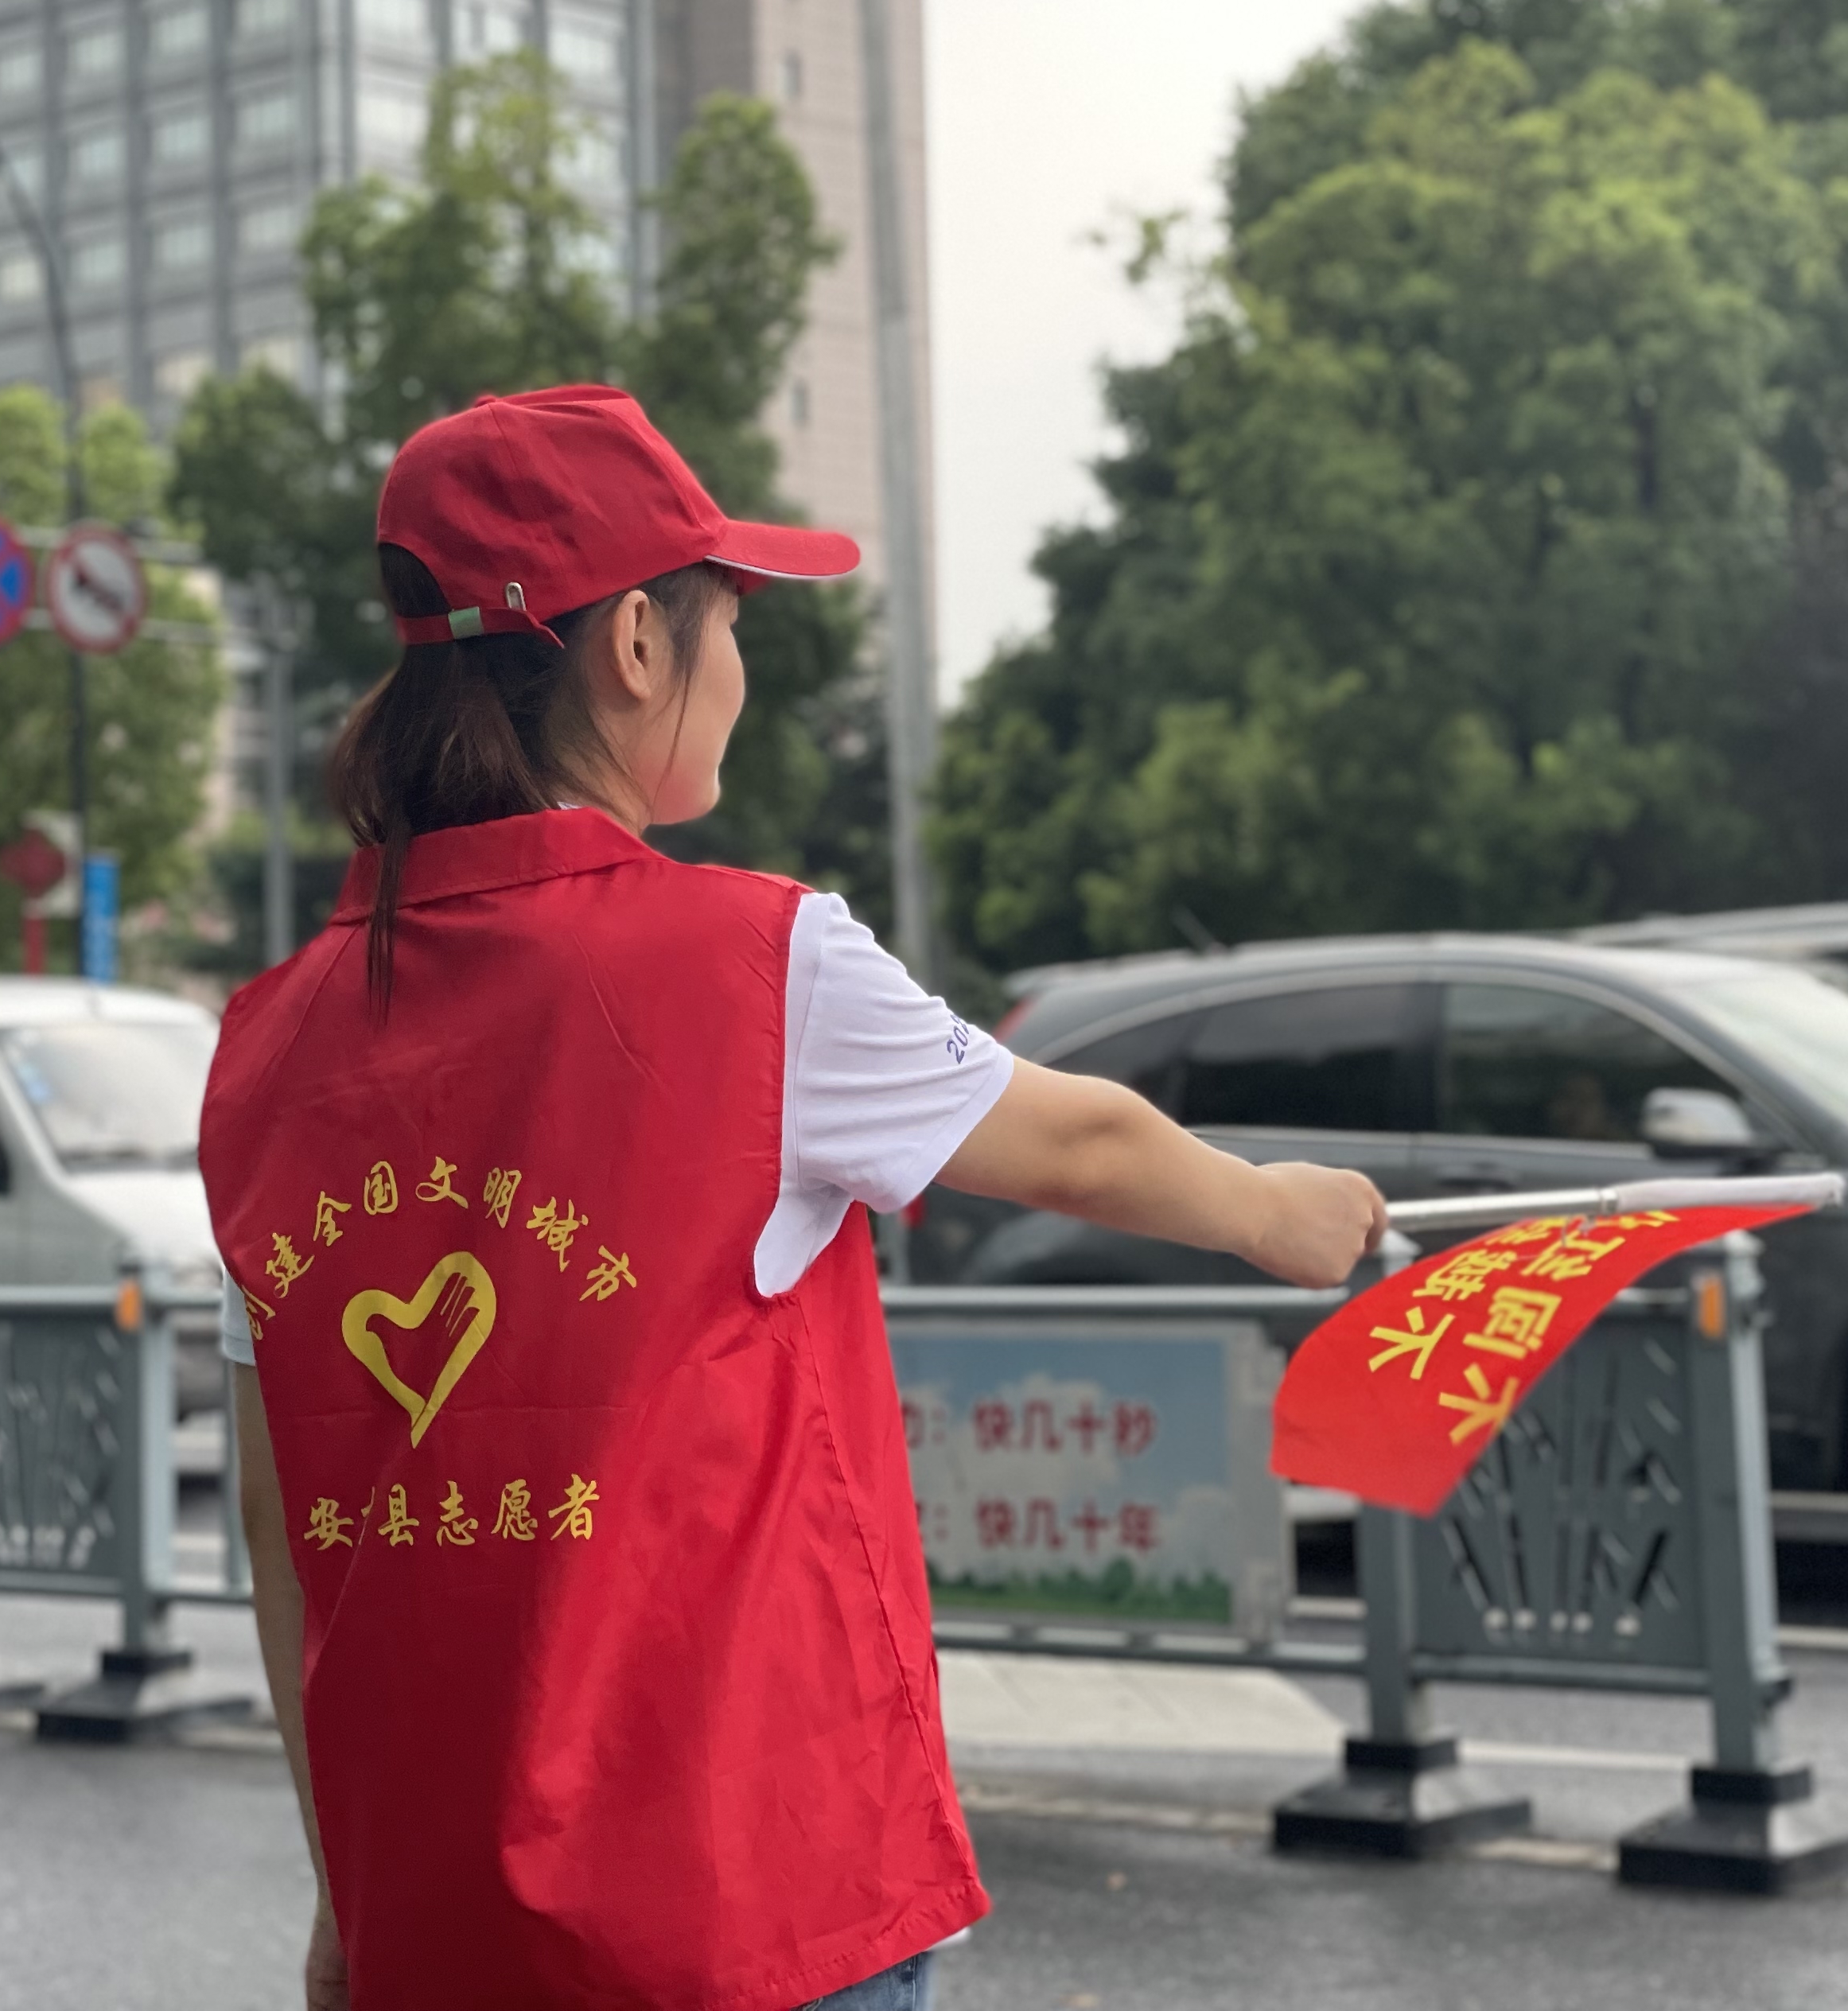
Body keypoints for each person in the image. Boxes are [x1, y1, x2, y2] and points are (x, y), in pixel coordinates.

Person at [200, 385, 1386, 2011]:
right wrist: (1272, 1212)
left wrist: (346, 1890)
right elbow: (1081, 1147)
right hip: (755, 1900)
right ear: (635, 643)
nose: (739, 669)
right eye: (729, 620)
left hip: (441, 1920)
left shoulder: (268, 1048)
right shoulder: (757, 965)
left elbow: (279, 1516)